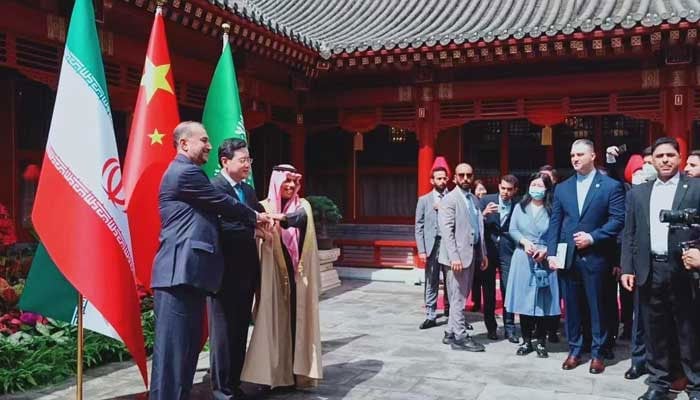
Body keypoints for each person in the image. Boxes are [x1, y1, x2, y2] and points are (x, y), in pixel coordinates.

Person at [149, 122, 272, 400]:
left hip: (190, 277)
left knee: (185, 357)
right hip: (176, 275)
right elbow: (221, 202)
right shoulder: (185, 173)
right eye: (203, 140)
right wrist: (256, 217)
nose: (208, 146)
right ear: (183, 144)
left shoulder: (192, 174)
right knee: (173, 359)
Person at [621, 137, 700, 400]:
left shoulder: (696, 188)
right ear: (652, 161)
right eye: (660, 156)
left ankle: (695, 384)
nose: (665, 160)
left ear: (679, 158)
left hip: (684, 270)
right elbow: (630, 234)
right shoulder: (639, 193)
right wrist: (627, 268)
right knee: (654, 330)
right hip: (650, 268)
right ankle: (658, 383)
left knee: (688, 329)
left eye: (670, 155)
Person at [546, 138, 625, 375]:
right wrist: (552, 253)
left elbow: (618, 220)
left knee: (597, 306)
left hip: (597, 256)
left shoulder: (610, 186)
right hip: (569, 257)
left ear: (593, 156)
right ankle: (575, 349)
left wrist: (593, 237)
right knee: (572, 307)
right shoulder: (563, 188)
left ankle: (599, 353)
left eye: (580, 154)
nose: (575, 159)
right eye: (572, 155)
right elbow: (555, 223)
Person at [241, 164, 323, 389]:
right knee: (275, 326)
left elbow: (297, 219)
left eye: (294, 182)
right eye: (286, 181)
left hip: (299, 279)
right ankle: (277, 376)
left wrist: (274, 217)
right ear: (276, 182)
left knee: (298, 324)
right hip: (273, 278)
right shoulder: (262, 206)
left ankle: (299, 375)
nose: (290, 185)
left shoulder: (302, 205)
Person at [208, 138, 266, 400]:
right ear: (225, 161)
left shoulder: (247, 189)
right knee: (222, 334)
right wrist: (254, 226)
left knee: (240, 329)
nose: (247, 166)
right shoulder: (214, 188)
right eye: (243, 161)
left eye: (249, 160)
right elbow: (218, 228)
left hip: (246, 272)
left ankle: (234, 383)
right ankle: (221, 389)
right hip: (223, 274)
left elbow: (260, 213)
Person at [505, 172, 560, 358]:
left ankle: (541, 342)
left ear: (547, 189)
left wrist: (545, 249)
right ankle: (527, 341)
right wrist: (524, 242)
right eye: (533, 184)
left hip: (544, 259)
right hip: (523, 258)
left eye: (540, 185)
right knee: (524, 302)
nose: (536, 189)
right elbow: (512, 229)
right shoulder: (520, 206)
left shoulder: (552, 208)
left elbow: (557, 232)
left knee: (542, 303)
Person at [438, 163, 488, 352]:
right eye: (461, 175)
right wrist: (454, 257)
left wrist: (482, 253)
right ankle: (460, 336)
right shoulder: (450, 200)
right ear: (455, 178)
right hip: (457, 257)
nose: (465, 178)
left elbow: (478, 228)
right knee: (458, 296)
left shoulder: (474, 199)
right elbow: (446, 231)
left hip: (472, 253)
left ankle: (451, 330)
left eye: (469, 175)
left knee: (461, 295)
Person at [480, 174, 519, 341]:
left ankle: (510, 328)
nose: (505, 192)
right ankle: (491, 328)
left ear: (515, 190)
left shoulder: (519, 205)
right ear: (499, 187)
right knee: (488, 292)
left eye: (509, 190)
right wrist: (483, 214)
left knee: (507, 290)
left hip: (508, 251)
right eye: (503, 188)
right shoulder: (486, 200)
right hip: (488, 252)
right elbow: (473, 224)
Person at [416, 166, 450, 329]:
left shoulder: (453, 197)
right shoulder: (424, 200)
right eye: (439, 178)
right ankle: (430, 314)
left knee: (451, 281)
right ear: (432, 180)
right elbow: (419, 226)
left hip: (449, 244)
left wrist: (443, 207)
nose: (442, 181)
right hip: (432, 244)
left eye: (444, 178)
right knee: (432, 280)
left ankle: (452, 313)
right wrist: (421, 250)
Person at [470, 179, 488, 310]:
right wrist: (484, 214)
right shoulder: (472, 203)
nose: (482, 192)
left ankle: (486, 302)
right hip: (476, 244)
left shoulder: (489, 201)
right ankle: (476, 302)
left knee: (485, 275)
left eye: (483, 189)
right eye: (479, 189)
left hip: (487, 243)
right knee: (476, 276)